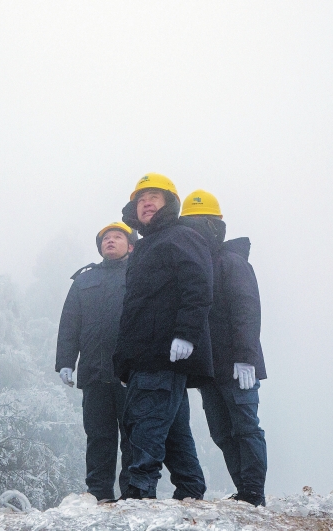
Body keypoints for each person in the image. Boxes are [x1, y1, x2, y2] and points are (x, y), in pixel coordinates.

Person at [113, 173, 214, 500]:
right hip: (145, 355)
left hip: (162, 353)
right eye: (141, 199)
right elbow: (136, 308)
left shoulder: (180, 236)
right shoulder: (144, 246)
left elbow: (197, 287)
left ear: (169, 203)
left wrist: (186, 334)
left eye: (154, 197)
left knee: (144, 425)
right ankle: (191, 493)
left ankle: (138, 496)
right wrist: (125, 363)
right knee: (172, 430)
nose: (146, 203)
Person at [179, 189, 268, 506]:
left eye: (201, 223)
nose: (195, 230)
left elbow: (246, 311)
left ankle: (253, 494)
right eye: (188, 224)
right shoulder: (192, 267)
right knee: (222, 432)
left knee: (245, 427)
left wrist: (246, 359)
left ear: (215, 227)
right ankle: (245, 490)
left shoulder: (231, 263)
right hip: (208, 369)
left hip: (236, 366)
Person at [55, 221, 137, 502]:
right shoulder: (84, 280)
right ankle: (99, 494)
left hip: (131, 373)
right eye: (105, 239)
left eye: (117, 237)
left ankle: (133, 494)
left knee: (133, 435)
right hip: (93, 373)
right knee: (98, 437)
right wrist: (66, 362)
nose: (110, 241)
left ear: (131, 245)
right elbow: (69, 324)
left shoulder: (141, 274)